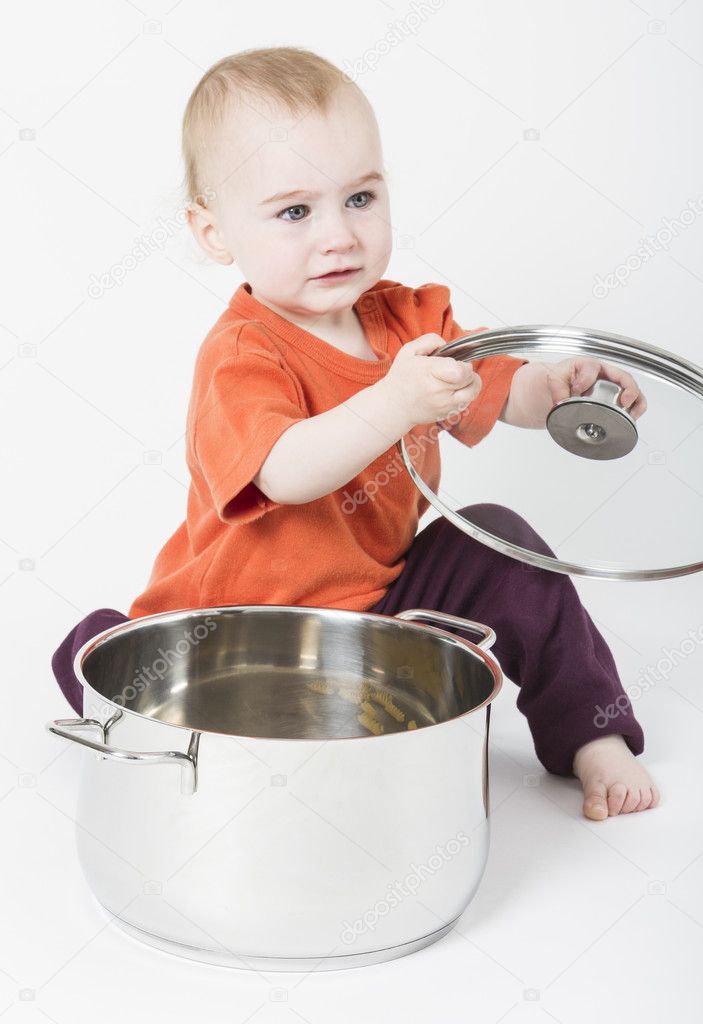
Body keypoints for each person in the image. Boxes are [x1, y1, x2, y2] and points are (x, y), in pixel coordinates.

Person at [51, 46, 660, 822]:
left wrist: (558, 388)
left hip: (381, 614)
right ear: (213, 232)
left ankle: (590, 734)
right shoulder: (242, 353)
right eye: (294, 212)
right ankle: (110, 672)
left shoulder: (407, 318)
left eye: (361, 198)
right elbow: (284, 471)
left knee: (502, 540)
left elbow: (500, 387)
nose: (338, 235)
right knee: (112, 652)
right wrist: (394, 401)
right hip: (238, 630)